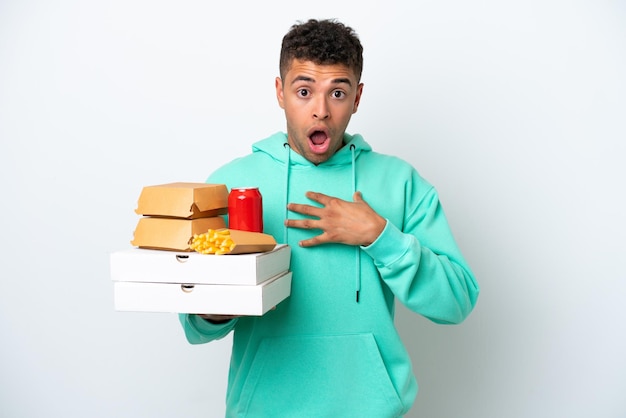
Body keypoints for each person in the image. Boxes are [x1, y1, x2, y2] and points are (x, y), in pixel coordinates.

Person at [179, 18, 479, 417]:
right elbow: (194, 326)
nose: (320, 111)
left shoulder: (400, 182)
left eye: (337, 92)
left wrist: (379, 235)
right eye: (304, 91)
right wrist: (216, 306)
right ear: (279, 92)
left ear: (357, 98)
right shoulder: (231, 184)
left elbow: (456, 301)